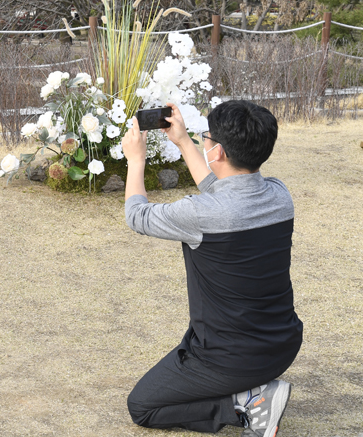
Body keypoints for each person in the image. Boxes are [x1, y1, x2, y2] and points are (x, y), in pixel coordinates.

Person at [121, 100, 303, 437]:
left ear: (217, 152)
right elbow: (224, 192)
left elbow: (137, 216)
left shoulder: (201, 213)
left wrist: (136, 160)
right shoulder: (280, 196)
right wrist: (184, 141)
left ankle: (247, 403)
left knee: (143, 406)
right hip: (282, 345)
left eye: (206, 137)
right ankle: (251, 389)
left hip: (230, 359)